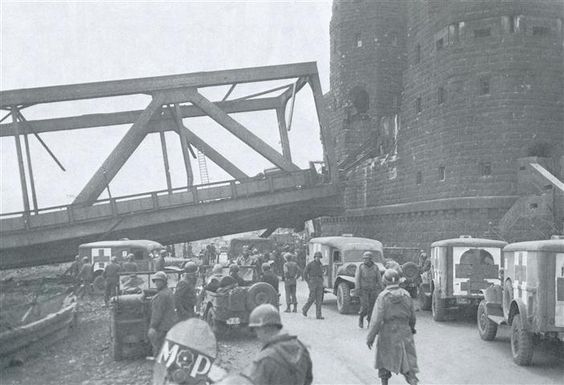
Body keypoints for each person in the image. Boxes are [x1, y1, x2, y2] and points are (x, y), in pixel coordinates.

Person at [366, 269, 419, 385]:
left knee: (384, 361)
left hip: (387, 332)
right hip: (405, 331)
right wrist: (411, 328)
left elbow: (376, 320)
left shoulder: (383, 296)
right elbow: (412, 316)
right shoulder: (406, 295)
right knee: (408, 362)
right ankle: (413, 381)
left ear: (385, 281)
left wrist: (370, 338)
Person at [239, 304, 313, 385]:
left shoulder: (265, 359)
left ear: (264, 329)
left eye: (256, 330)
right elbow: (308, 380)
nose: (257, 336)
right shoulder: (302, 349)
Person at [148, 271, 177, 356]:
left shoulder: (161, 296)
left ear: (164, 282)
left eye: (159, 281)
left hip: (162, 327)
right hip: (170, 325)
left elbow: (157, 314)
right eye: (155, 281)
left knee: (159, 349)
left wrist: (152, 326)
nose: (156, 283)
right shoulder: (169, 292)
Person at [354, 251, 383, 328]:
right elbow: (357, 278)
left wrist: (382, 288)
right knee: (365, 306)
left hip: (373, 289)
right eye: (364, 258)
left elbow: (379, 278)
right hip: (363, 290)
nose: (365, 260)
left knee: (372, 306)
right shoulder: (361, 267)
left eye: (366, 259)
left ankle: (369, 320)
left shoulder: (375, 267)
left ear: (370, 259)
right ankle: (361, 317)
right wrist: (357, 289)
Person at [302, 251, 324, 320]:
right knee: (312, 298)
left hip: (319, 282)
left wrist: (321, 280)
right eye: (317, 257)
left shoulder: (321, 264)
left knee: (319, 299)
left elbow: (322, 273)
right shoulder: (310, 264)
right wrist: (308, 281)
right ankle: (305, 309)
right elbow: (305, 273)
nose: (318, 258)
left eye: (319, 257)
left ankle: (318, 315)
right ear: (314, 257)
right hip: (313, 281)